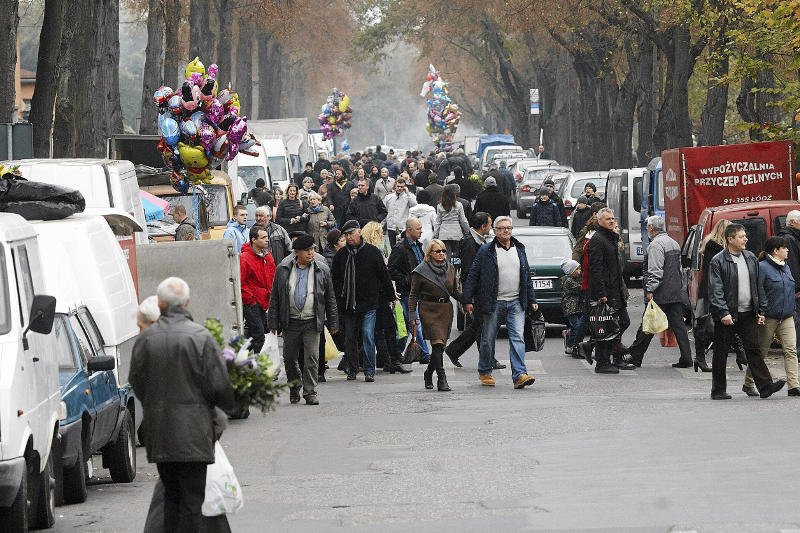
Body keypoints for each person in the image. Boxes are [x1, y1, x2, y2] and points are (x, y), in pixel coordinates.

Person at [130, 277, 234, 532]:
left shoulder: (146, 339)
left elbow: (136, 381)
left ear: (161, 304)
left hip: (161, 434)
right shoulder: (200, 337)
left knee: (171, 499)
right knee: (193, 502)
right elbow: (219, 387)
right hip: (195, 435)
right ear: (186, 302)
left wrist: (155, 405)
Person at [708, 223, 786, 399]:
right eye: (741, 237)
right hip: (727, 314)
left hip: (748, 312)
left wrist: (761, 311)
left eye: (745, 236)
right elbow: (716, 289)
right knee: (721, 351)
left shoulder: (750, 258)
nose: (746, 239)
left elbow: (758, 287)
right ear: (730, 239)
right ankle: (718, 390)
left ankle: (765, 386)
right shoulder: (718, 260)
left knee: (753, 349)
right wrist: (723, 312)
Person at [462, 216, 538, 389]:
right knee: (488, 338)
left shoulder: (519, 249)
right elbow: (473, 275)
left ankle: (519, 375)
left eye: (509, 228)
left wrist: (532, 299)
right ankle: (485, 371)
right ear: (495, 231)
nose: (506, 231)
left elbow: (525, 276)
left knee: (518, 338)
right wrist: (467, 300)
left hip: (516, 302)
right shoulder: (486, 251)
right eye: (502, 228)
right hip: (494, 302)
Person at [267, 234, 338, 406]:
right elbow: (275, 297)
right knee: (290, 358)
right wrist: (273, 322)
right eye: (307, 250)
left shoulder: (322, 269)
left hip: (312, 321)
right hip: (290, 321)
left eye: (313, 249)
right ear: (296, 252)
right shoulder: (283, 268)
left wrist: (334, 321)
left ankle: (310, 392)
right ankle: (294, 386)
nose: (311, 253)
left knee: (312, 357)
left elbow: (330, 298)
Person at [623, 216, 693, 368]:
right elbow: (678, 270)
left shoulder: (655, 245)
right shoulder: (673, 242)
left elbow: (655, 270)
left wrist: (650, 289)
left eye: (647, 227)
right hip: (674, 291)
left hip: (660, 292)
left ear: (651, 228)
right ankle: (687, 358)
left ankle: (635, 356)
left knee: (647, 325)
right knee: (679, 327)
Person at [331, 220, 395, 381]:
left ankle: (369, 370)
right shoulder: (341, 255)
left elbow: (384, 276)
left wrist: (390, 296)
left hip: (369, 303)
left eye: (351, 233)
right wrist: (338, 300)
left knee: (367, 335)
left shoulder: (372, 252)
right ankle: (353, 369)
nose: (349, 237)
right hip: (348, 305)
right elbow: (335, 280)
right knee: (350, 338)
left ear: (359, 232)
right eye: (346, 235)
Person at [445, 212, 506, 370]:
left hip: (481, 291)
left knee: (478, 327)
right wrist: (468, 298)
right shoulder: (471, 243)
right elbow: (469, 271)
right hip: (477, 293)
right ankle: (487, 359)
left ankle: (454, 350)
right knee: (482, 326)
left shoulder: (477, 240)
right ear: (483, 226)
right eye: (490, 224)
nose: (491, 227)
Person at [741, 236, 800, 397]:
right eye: (784, 248)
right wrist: (761, 312)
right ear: (776, 250)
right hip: (768, 317)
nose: (787, 250)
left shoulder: (786, 267)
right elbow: (759, 293)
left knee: (791, 350)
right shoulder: (762, 268)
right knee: (761, 352)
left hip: (786, 316)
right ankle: (749, 383)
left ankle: (794, 385)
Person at [409, 239, 460, 391]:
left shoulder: (450, 268)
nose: (442, 254)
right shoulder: (421, 270)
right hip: (428, 310)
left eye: (444, 251)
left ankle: (428, 372)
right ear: (429, 253)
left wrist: (468, 302)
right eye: (438, 251)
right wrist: (413, 316)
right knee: (437, 344)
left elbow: (455, 291)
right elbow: (413, 295)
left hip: (445, 309)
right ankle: (441, 378)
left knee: (439, 348)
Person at [362, 221, 410, 373]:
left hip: (374, 295)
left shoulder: (367, 251)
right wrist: (391, 294)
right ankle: (392, 361)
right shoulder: (376, 251)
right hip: (380, 296)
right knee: (386, 329)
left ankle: (387, 360)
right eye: (380, 232)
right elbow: (384, 275)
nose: (383, 235)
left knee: (379, 330)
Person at [586, 208, 630, 374]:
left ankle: (592, 346)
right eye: (607, 219)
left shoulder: (611, 237)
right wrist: (601, 293)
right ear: (599, 222)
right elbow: (595, 269)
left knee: (622, 323)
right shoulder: (598, 239)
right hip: (606, 292)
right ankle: (602, 362)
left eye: (613, 218)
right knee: (606, 327)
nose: (611, 221)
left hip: (616, 289)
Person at [388, 217, 431, 364]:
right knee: (413, 323)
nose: (421, 231)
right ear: (409, 230)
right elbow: (391, 269)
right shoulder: (400, 248)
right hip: (407, 293)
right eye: (418, 228)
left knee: (406, 326)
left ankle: (395, 353)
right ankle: (424, 353)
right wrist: (407, 280)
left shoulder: (418, 246)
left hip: (418, 292)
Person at [240, 225, 277, 354]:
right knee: (259, 336)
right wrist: (251, 299)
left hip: (266, 301)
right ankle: (261, 369)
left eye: (267, 237)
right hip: (253, 302)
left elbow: (272, 277)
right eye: (263, 238)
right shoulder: (245, 258)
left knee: (256, 335)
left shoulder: (268, 256)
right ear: (254, 240)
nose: (267, 240)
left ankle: (235, 357)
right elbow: (241, 283)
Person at [777, 209, 800, 343]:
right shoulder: (788, 239)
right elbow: (792, 265)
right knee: (796, 319)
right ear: (792, 222)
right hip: (794, 290)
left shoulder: (793, 237)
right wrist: (796, 288)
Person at [433, 183, 470, 260]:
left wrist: (436, 234)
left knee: (446, 255)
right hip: (456, 233)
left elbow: (438, 221)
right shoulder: (459, 205)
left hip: (444, 233)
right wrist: (467, 231)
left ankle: (447, 270)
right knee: (456, 256)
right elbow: (463, 220)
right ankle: (455, 270)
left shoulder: (440, 206)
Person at [384, 177, 418, 248]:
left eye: (401, 187)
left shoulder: (408, 196)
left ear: (405, 187)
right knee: (392, 248)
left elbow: (414, 205)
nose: (399, 188)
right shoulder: (389, 197)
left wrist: (408, 193)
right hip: (391, 226)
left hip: (402, 227)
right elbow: (385, 210)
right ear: (395, 186)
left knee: (402, 248)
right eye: (398, 186)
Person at [560, 259, 584, 356]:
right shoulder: (568, 281)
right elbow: (580, 288)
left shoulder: (574, 279)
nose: (580, 271)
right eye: (577, 270)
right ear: (571, 271)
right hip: (570, 308)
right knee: (577, 326)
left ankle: (569, 334)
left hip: (577, 307)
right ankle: (571, 345)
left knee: (576, 327)